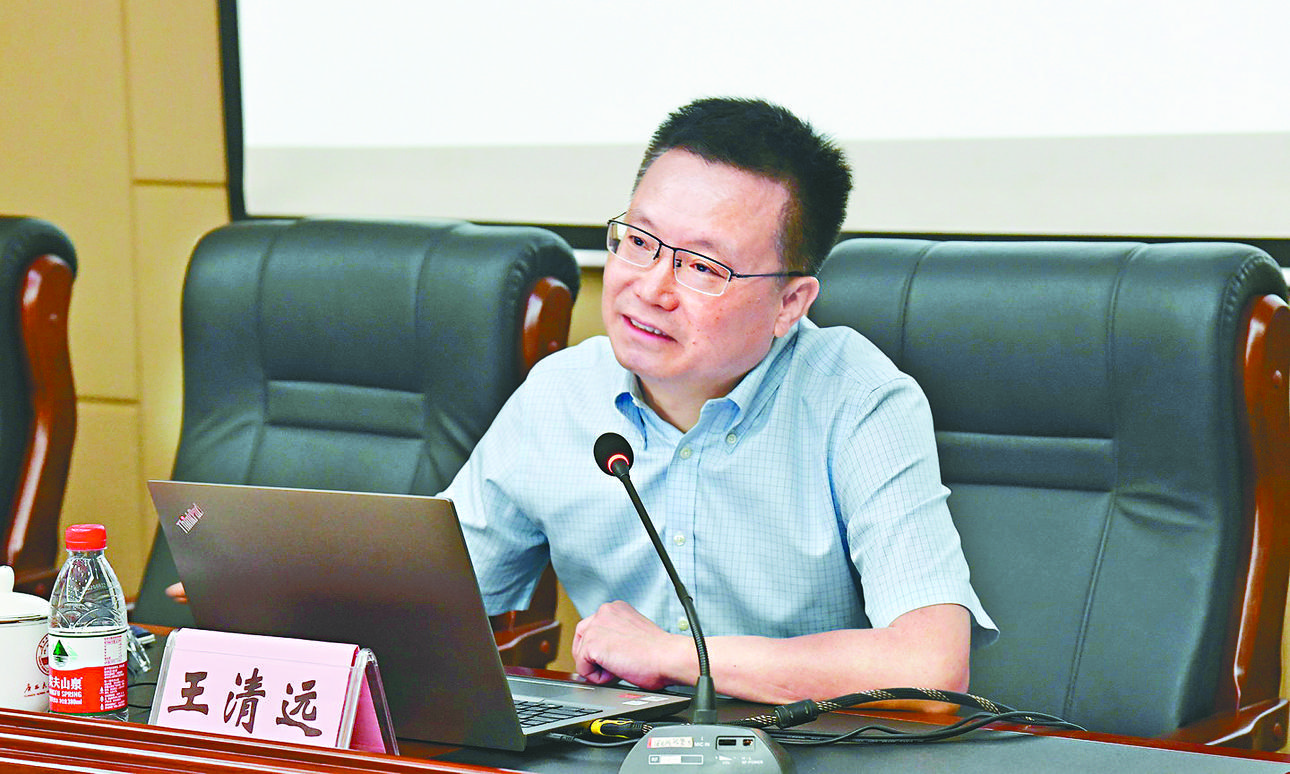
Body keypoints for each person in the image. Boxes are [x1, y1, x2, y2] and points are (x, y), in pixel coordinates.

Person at [444, 96, 996, 705]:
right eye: (640, 241)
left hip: (807, 744)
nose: (651, 289)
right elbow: (420, 595)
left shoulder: (859, 401)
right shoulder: (561, 394)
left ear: (790, 303)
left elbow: (932, 666)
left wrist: (673, 656)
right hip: (615, 741)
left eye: (703, 267)